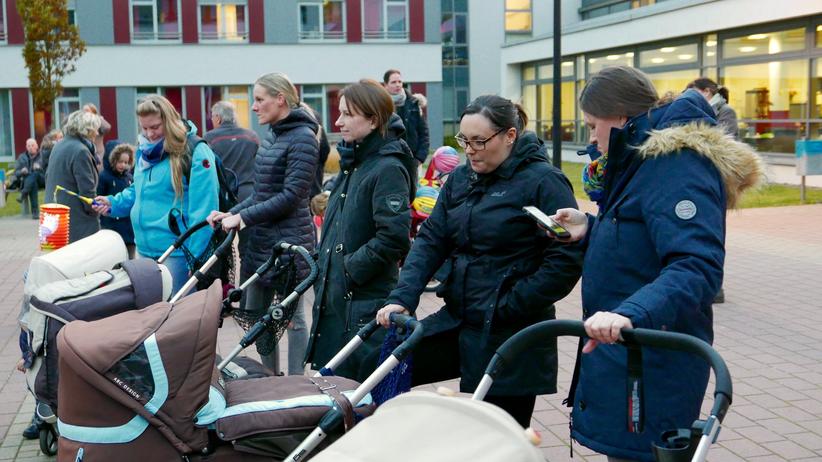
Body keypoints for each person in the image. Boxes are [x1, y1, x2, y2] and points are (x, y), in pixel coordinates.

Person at [549, 66, 763, 462]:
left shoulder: (676, 163)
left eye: (594, 125)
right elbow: (642, 235)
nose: (591, 137)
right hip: (634, 348)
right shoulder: (643, 158)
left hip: (653, 353)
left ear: (621, 117)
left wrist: (629, 313)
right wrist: (591, 227)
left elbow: (696, 264)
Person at [376, 95, 584, 427]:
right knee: (384, 367)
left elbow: (565, 259)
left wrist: (509, 304)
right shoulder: (461, 178)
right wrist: (404, 296)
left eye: (479, 141)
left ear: (510, 136)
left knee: (497, 434)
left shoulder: (544, 181)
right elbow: (432, 238)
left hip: (511, 331)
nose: (469, 150)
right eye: (464, 141)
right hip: (461, 318)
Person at [305, 79, 417, 380]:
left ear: (373, 119)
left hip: (365, 306)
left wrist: (349, 268)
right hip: (341, 302)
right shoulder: (355, 162)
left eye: (347, 115)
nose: (338, 122)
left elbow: (394, 237)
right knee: (336, 394)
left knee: (360, 398)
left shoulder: (387, 167)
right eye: (339, 113)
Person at [207, 73, 318, 376]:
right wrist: (228, 213)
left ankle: (295, 382)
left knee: (294, 320)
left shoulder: (303, 138)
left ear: (280, 99)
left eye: (259, 99)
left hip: (290, 243)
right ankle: (269, 378)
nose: (254, 107)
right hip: (262, 242)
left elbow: (291, 196)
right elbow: (260, 194)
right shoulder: (274, 135)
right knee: (260, 319)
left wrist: (242, 218)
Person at [93, 95, 219, 295]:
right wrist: (113, 203)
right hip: (144, 251)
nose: (149, 134)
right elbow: (138, 191)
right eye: (144, 128)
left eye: (155, 127)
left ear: (169, 122)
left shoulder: (196, 152)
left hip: (178, 255)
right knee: (149, 317)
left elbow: (204, 210)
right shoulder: (144, 151)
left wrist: (194, 258)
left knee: (177, 317)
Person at [204, 100, 260, 266]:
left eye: (212, 117)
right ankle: (246, 288)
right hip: (247, 194)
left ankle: (224, 287)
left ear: (218, 118)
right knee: (248, 249)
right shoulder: (252, 136)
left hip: (222, 198)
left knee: (220, 249)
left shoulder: (209, 139)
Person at [44, 111, 102, 240]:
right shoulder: (81, 151)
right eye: (96, 129)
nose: (97, 133)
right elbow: (87, 193)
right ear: (88, 130)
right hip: (77, 223)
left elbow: (48, 176)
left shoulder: (59, 145)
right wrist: (99, 210)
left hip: (57, 219)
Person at [382, 69, 430, 165]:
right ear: (385, 85)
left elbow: (424, 133)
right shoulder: (380, 105)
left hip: (412, 159)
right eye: (393, 82)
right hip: (388, 160)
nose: (398, 85)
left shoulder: (413, 103)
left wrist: (419, 158)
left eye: (400, 82)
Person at [97, 142, 136, 258]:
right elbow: (99, 196)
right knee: (113, 255)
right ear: (112, 160)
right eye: (120, 162)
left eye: (126, 162)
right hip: (111, 224)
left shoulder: (129, 178)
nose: (123, 165)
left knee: (130, 255)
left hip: (128, 226)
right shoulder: (104, 177)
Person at [14, 138, 43, 219]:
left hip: (41, 179)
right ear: (26, 147)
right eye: (29, 145)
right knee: (33, 182)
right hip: (29, 182)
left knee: (35, 173)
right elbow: (16, 172)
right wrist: (22, 171)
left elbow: (48, 169)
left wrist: (40, 167)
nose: (31, 147)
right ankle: (35, 213)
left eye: (33, 145)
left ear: (37, 146)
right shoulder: (21, 157)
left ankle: (23, 193)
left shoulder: (42, 156)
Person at [83, 103, 112, 170]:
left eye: (87, 110)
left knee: (99, 169)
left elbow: (107, 127)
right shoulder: (83, 122)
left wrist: (99, 119)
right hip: (86, 151)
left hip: (98, 151)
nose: (84, 113)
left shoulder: (98, 121)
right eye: (83, 110)